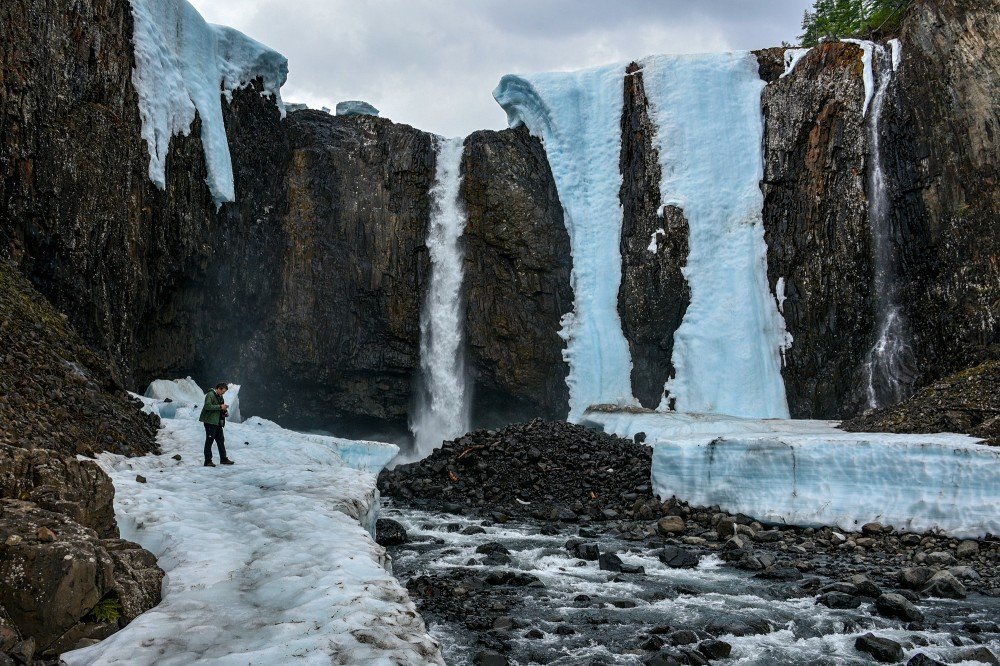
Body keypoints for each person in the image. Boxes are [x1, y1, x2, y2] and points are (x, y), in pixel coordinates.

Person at [199, 382, 235, 467]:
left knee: (220, 440)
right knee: (209, 441)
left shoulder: (220, 396)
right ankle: (207, 461)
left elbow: (220, 407)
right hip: (210, 422)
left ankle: (223, 459)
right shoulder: (210, 395)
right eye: (223, 391)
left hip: (217, 422)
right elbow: (207, 406)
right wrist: (220, 407)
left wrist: (225, 411)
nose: (223, 393)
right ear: (219, 389)